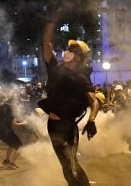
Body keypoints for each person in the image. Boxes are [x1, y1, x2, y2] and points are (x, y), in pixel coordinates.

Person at [37, 14, 100, 186]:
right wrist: (51, 22)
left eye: (73, 50)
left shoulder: (80, 78)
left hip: (67, 127)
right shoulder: (56, 69)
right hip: (52, 126)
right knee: (66, 167)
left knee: (71, 165)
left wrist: (92, 120)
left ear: (79, 57)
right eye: (69, 49)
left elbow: (94, 102)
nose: (68, 51)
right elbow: (46, 44)